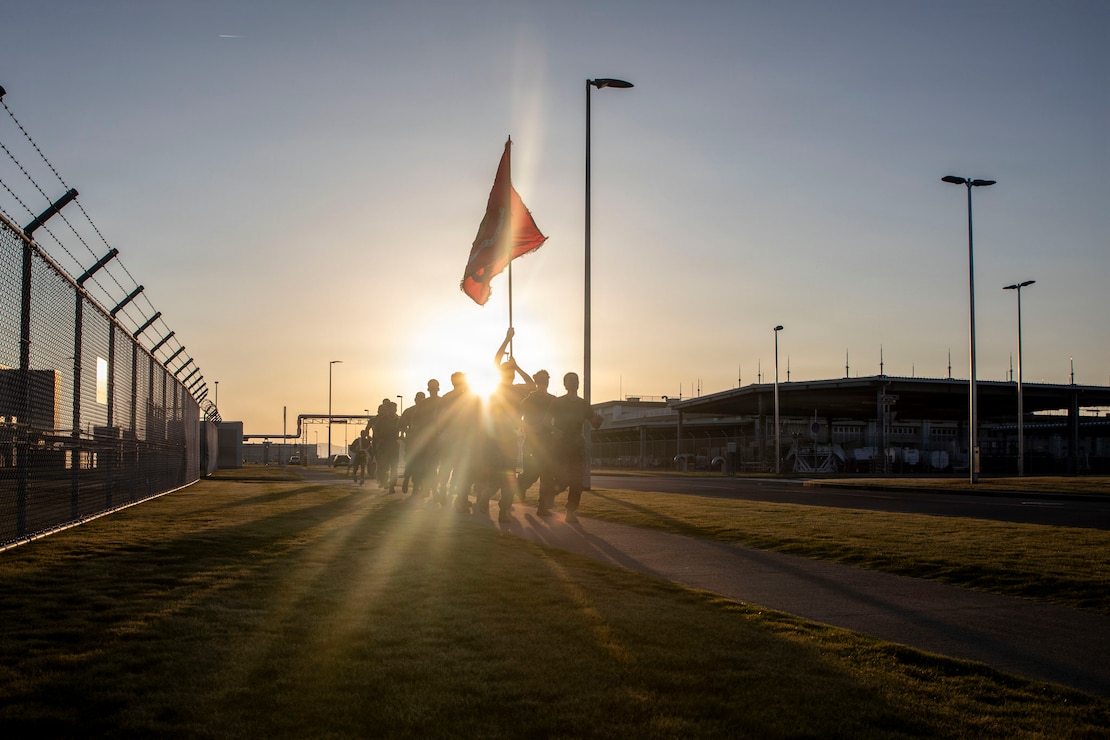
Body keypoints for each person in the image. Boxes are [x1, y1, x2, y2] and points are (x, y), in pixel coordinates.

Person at [548, 371, 602, 523]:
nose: (574, 383)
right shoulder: (558, 402)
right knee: (563, 479)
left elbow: (594, 423)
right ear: (565, 384)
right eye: (571, 380)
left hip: (578, 445)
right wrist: (555, 430)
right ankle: (550, 493)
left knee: (577, 481)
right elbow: (546, 422)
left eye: (576, 380)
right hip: (561, 445)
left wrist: (598, 421)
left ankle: (570, 512)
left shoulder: (583, 404)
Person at [517, 369, 555, 515]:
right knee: (532, 472)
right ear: (536, 381)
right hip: (532, 441)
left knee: (547, 474)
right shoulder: (529, 399)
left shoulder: (553, 400)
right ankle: (522, 484)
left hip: (548, 442)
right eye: (541, 379)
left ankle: (543, 507)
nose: (544, 382)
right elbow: (517, 418)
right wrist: (530, 428)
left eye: (546, 379)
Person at [399, 391, 427, 497]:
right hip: (413, 441)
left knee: (420, 465)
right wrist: (405, 433)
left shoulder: (426, 412)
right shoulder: (410, 411)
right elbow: (401, 424)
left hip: (423, 442)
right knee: (414, 463)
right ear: (415, 400)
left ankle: (415, 485)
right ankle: (408, 479)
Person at [372, 399, 401, 492]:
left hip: (394, 444)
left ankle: (391, 485)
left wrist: (402, 437)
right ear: (387, 410)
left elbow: (403, 428)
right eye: (391, 409)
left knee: (394, 466)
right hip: (384, 444)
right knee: (384, 465)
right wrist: (379, 439)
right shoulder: (381, 420)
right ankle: (383, 481)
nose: (393, 411)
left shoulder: (398, 419)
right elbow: (375, 430)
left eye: (394, 409)